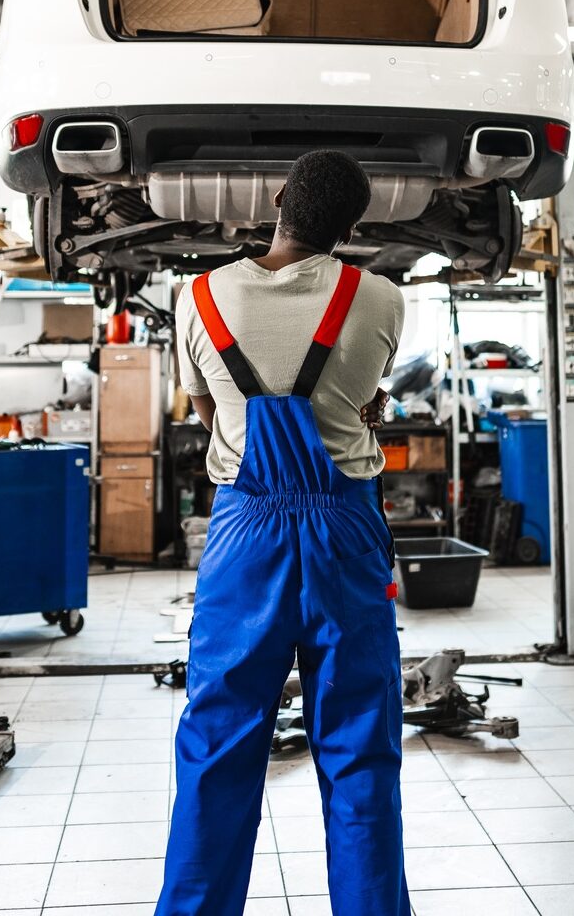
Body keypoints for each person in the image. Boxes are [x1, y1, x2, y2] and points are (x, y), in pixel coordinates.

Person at [155, 149, 410, 916]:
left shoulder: (193, 296)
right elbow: (363, 396)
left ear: (274, 200)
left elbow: (206, 414)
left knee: (218, 743)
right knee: (360, 747)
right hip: (345, 531)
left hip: (244, 531)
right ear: (354, 226)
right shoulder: (381, 298)